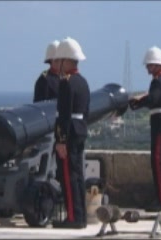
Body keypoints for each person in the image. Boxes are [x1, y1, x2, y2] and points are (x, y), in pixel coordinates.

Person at [129, 46, 161, 212]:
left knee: (158, 163)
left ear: (157, 65)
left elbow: (153, 100)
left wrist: (138, 101)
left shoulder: (157, 81)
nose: (147, 68)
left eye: (149, 65)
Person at [52, 37, 90, 229]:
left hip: (69, 134)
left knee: (68, 177)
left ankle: (73, 218)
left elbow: (64, 115)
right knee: (78, 176)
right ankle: (80, 216)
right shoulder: (83, 82)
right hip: (80, 130)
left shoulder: (67, 83)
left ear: (67, 61)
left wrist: (61, 140)